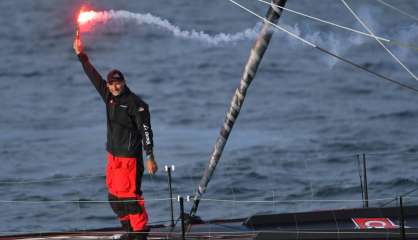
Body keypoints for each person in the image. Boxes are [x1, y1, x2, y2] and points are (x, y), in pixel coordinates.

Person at [73, 29, 158, 240]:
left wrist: (150, 156)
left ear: (124, 82)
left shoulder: (135, 104)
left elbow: (145, 130)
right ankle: (130, 231)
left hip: (129, 159)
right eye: (111, 83)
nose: (115, 86)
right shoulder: (109, 96)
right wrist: (81, 55)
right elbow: (93, 76)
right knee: (114, 198)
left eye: (118, 82)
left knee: (130, 199)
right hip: (113, 157)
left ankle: (140, 234)